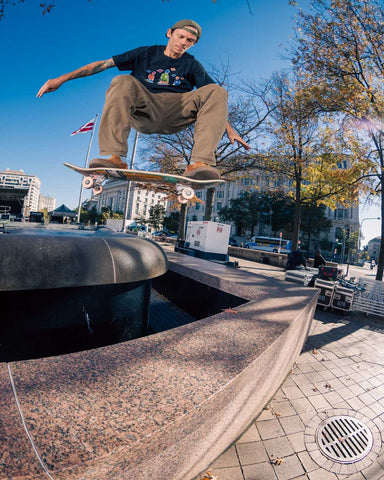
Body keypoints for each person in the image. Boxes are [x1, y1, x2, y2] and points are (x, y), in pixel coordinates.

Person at [37, 19, 250, 180]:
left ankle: (199, 164)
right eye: (180, 36)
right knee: (121, 81)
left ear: (193, 44)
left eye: (189, 41)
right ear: (170, 33)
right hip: (145, 110)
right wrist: (61, 79)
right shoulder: (145, 53)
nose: (183, 43)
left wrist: (229, 129)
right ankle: (114, 157)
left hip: (175, 113)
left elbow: (214, 100)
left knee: (217, 90)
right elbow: (102, 64)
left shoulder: (192, 64)